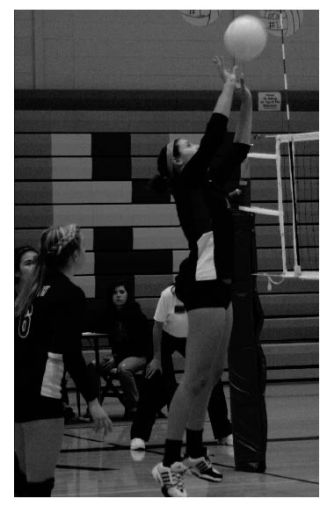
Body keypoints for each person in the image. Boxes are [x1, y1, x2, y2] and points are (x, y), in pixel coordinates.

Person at [150, 57, 252, 497]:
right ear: (177, 164)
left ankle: (193, 451)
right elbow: (215, 134)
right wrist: (228, 87)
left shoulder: (207, 180)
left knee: (210, 378)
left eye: (187, 142)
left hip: (222, 282)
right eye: (183, 145)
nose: (191, 145)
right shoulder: (189, 181)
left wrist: (246, 101)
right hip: (205, 281)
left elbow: (239, 146)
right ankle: (168, 464)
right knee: (194, 379)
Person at [14, 224, 112, 496]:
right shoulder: (68, 293)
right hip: (42, 398)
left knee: (21, 482)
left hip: (17, 395)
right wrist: (93, 400)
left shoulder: (31, 291)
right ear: (74, 254)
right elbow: (70, 352)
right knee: (38, 487)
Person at [130, 283, 232, 453]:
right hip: (165, 339)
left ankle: (224, 432)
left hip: (193, 338)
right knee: (154, 380)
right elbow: (157, 327)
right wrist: (156, 358)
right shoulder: (167, 296)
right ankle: (138, 435)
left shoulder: (203, 295)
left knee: (212, 382)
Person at [99, 281, 151, 419]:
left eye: (122, 292)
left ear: (128, 295)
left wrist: (116, 358)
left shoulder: (135, 314)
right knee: (93, 366)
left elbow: (138, 345)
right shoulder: (110, 314)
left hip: (139, 355)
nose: (118, 296)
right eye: (115, 293)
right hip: (119, 356)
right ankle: (94, 407)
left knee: (124, 369)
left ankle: (136, 407)